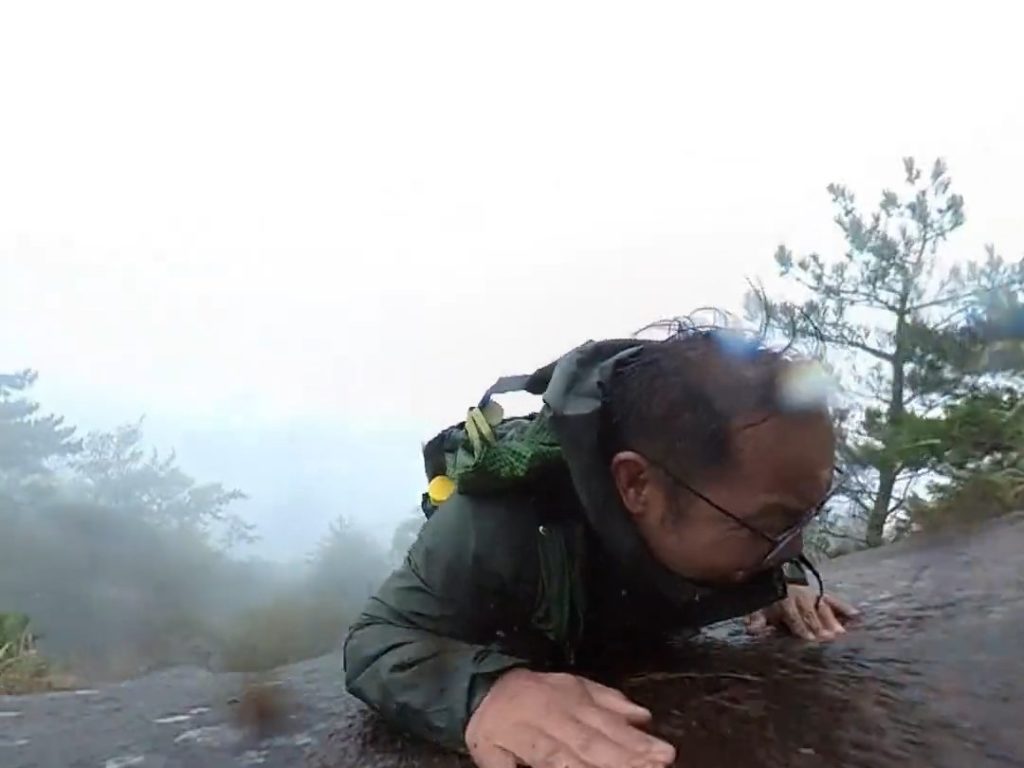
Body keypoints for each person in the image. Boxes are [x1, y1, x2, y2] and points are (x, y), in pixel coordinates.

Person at [343, 321, 859, 768]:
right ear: (638, 485)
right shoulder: (497, 523)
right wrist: (485, 692)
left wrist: (776, 581)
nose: (793, 548)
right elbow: (377, 639)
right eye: (772, 526)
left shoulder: (719, 503)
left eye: (802, 520)